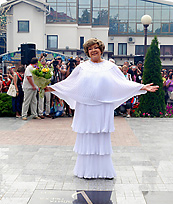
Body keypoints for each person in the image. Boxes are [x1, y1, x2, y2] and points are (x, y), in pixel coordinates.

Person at [45, 38, 158, 179]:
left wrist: (141, 87)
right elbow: (70, 83)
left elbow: (123, 83)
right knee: (87, 137)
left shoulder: (110, 67)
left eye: (96, 47)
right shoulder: (81, 67)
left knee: (101, 138)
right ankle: (85, 171)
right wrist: (50, 88)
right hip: (85, 108)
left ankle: (104, 171)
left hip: (103, 108)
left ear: (101, 49)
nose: (93, 50)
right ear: (87, 51)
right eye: (90, 48)